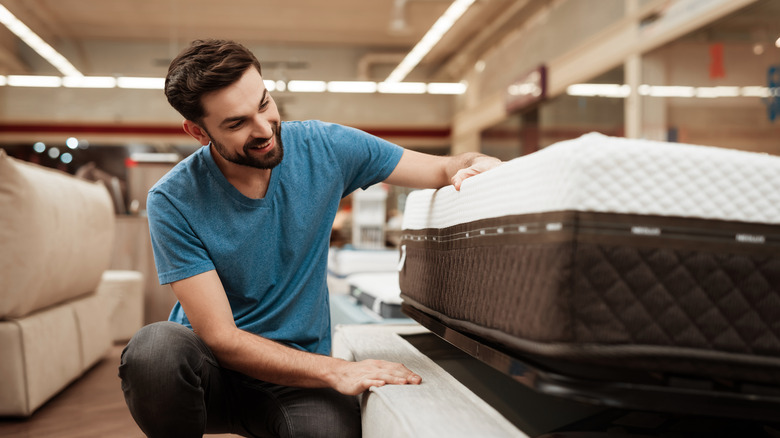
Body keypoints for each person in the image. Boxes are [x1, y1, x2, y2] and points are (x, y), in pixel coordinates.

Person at [119, 39, 501, 438]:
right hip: (211, 375)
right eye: (237, 123)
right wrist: (339, 369)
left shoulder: (325, 147)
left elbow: (443, 168)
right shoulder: (173, 198)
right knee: (155, 351)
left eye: (264, 104)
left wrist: (477, 166)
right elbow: (221, 338)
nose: (264, 129)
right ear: (198, 131)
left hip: (295, 378)